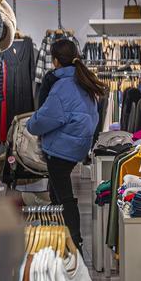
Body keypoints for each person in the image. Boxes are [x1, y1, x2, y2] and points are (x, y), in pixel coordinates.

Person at [27, 37, 105, 250]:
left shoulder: (61, 85)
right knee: (56, 190)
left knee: (63, 195)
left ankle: (75, 240)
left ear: (55, 61)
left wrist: (30, 124)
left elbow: (44, 119)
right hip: (77, 146)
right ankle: (59, 234)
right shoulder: (83, 81)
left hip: (61, 149)